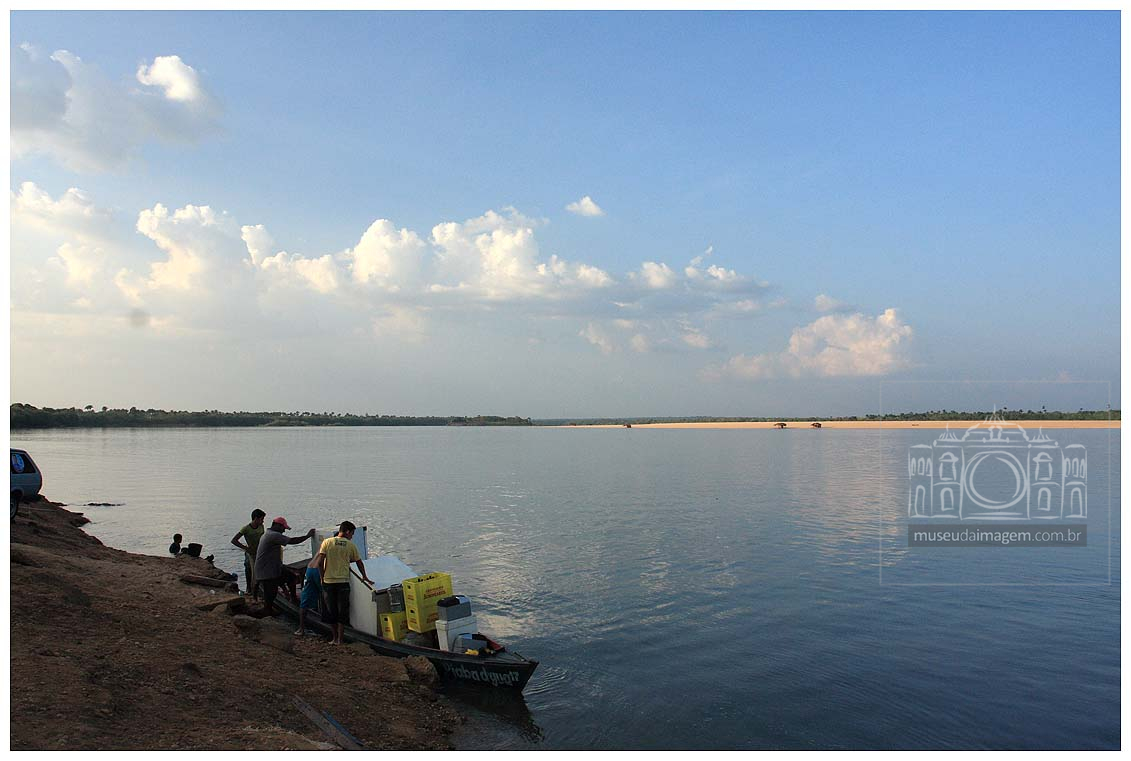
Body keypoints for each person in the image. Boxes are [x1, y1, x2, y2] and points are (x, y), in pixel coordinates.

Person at [314, 521, 372, 645]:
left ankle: (334, 638)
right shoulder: (350, 545)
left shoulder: (327, 542)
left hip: (328, 582)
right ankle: (340, 640)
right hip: (343, 582)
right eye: (352, 533)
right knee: (342, 612)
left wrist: (322, 578)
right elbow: (359, 562)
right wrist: (364, 576)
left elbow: (319, 562)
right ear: (347, 531)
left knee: (331, 611)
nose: (352, 536)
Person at [254, 516, 314, 615]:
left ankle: (293, 599)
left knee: (291, 577)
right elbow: (292, 541)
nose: (284, 531)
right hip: (266, 571)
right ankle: (267, 610)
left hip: (272, 567)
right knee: (271, 592)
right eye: (283, 528)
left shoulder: (268, 534)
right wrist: (308, 536)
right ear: (277, 526)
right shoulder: (273, 535)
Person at [230, 509, 266, 599]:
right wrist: (245, 548)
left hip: (260, 552)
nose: (263, 521)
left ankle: (258, 590)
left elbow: (263, 537)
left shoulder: (261, 526)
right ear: (256, 518)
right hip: (250, 553)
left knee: (260, 571)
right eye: (262, 519)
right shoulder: (246, 528)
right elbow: (234, 540)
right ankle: (249, 589)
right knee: (249, 570)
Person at [295, 556, 322, 636]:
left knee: (305, 599)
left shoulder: (322, 547)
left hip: (310, 568)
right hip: (319, 569)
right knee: (326, 594)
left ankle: (301, 629)